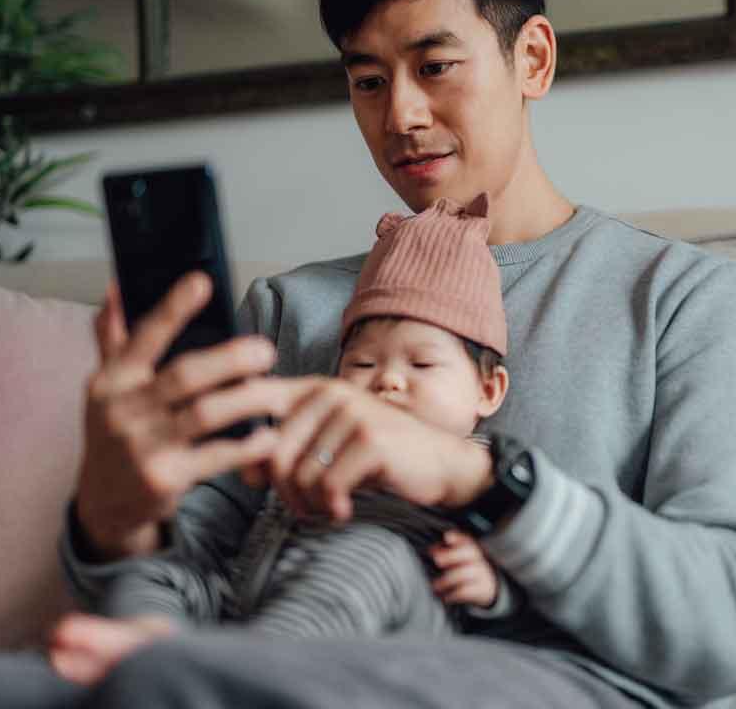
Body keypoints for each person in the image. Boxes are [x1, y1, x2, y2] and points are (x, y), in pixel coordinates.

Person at [0, 0, 736, 707]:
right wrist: (117, 521)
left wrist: (474, 478)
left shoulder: (680, 298)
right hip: (235, 672)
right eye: (369, 80)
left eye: (434, 66)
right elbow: (170, 611)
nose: (402, 115)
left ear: (531, 59)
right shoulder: (290, 309)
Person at [78, 194, 522, 645]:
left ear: (488, 390)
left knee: (370, 556)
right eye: (363, 365)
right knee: (154, 573)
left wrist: (493, 588)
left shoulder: (488, 471)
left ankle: (231, 674)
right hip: (254, 593)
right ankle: (148, 645)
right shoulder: (317, 438)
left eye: (422, 365)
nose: (388, 381)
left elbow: (533, 574)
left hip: (388, 623)